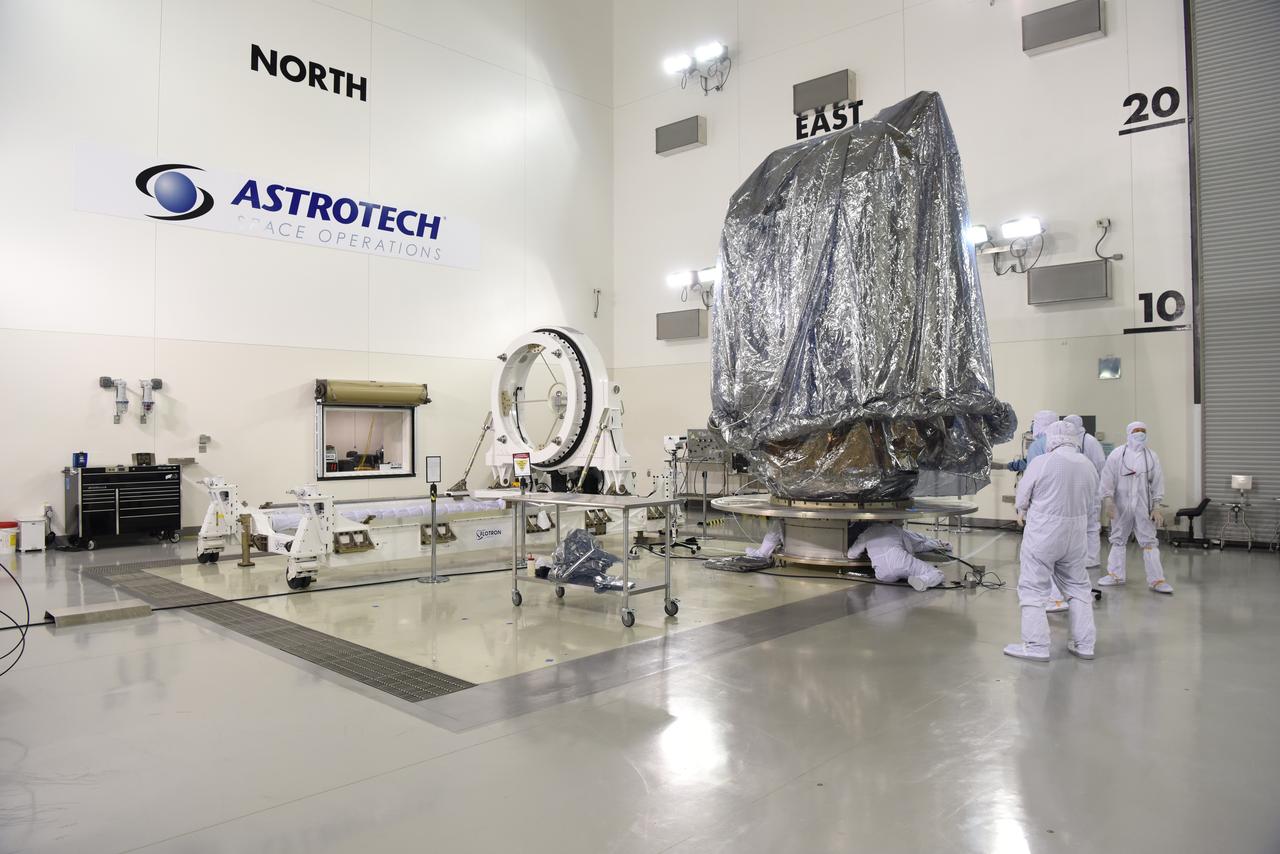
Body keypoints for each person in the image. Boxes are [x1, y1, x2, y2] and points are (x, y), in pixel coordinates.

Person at [1005, 420, 1099, 661]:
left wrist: (1021, 509)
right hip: (1076, 534)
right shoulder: (1087, 465)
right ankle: (1084, 644)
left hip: (1044, 533)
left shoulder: (1042, 462)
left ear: (1052, 438)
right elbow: (1092, 501)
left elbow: (1023, 495)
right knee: (1078, 588)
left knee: (1033, 589)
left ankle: (1035, 645)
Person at [1098, 421, 1172, 594]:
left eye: (1143, 431)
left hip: (1142, 505)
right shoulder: (1117, 454)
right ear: (1129, 433)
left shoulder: (1151, 456)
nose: (1140, 434)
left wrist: (1156, 505)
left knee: (1149, 541)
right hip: (1121, 504)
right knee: (1117, 539)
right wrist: (1108, 500)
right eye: (1136, 431)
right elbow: (1107, 478)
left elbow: (1157, 481)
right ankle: (1115, 575)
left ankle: (1157, 580)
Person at [1007, 409, 1070, 613]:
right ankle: (1061, 594)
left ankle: (1050, 597)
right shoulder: (1068, 448)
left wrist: (1021, 508)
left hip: (1042, 510)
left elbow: (1031, 479)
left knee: (1038, 557)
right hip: (1066, 511)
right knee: (1061, 558)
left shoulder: (1037, 445)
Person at [846, 522, 950, 591]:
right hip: (901, 562)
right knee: (937, 573)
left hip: (882, 574)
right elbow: (911, 549)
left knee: (896, 571)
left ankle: (908, 576)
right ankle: (922, 581)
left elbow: (851, 555)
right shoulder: (895, 529)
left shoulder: (866, 533)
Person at [1065, 414, 1106, 568]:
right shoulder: (1070, 441)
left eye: (1070, 424)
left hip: (1090, 491)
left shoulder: (1089, 441)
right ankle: (1077, 555)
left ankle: (1092, 557)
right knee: (1075, 525)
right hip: (1074, 491)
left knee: (1091, 525)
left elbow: (1101, 466)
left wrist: (1100, 491)